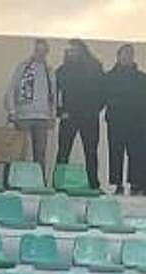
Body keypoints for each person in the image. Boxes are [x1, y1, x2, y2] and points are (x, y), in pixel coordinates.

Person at [54, 40, 104, 191]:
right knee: (63, 151)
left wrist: (95, 110)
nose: (71, 54)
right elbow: (54, 93)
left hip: (89, 116)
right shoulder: (62, 70)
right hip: (69, 116)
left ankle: (93, 183)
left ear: (82, 51)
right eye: (69, 51)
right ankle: (58, 183)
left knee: (91, 151)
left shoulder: (95, 68)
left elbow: (103, 92)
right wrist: (60, 111)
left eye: (74, 50)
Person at [5, 39, 55, 171]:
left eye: (43, 51)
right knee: (19, 153)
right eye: (38, 50)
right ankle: (15, 181)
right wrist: (12, 112)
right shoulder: (23, 67)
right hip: (23, 117)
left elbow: (53, 95)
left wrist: (52, 116)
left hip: (42, 118)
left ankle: (39, 183)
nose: (40, 53)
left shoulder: (49, 70)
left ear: (47, 52)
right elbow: (11, 89)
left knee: (40, 155)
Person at [104, 45, 146, 196]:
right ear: (118, 56)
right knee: (116, 153)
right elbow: (102, 98)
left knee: (137, 154)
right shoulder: (109, 77)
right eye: (125, 54)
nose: (127, 57)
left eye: (130, 54)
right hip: (116, 122)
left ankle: (136, 183)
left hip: (137, 122)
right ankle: (117, 184)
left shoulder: (142, 78)